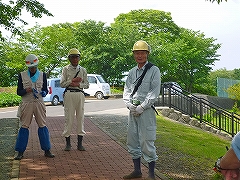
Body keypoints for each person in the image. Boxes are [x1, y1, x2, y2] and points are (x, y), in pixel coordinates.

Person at [123, 40, 161, 180]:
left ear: (147, 54)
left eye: (142, 53)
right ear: (134, 55)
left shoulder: (154, 70)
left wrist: (142, 106)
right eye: (137, 53)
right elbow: (127, 89)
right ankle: (137, 170)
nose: (140, 55)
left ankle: (151, 174)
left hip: (146, 111)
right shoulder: (132, 72)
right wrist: (129, 104)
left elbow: (154, 91)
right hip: (133, 110)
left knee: (147, 140)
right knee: (132, 140)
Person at [14, 54, 55, 160]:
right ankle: (20, 151)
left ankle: (47, 150)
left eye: (34, 67)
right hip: (26, 102)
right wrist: (25, 91)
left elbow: (45, 89)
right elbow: (19, 92)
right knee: (24, 126)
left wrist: (44, 92)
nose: (33, 69)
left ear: (37, 65)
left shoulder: (43, 74)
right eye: (31, 67)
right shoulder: (22, 75)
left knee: (42, 125)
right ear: (28, 66)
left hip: (39, 102)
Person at [60, 48, 89, 151]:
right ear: (69, 58)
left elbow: (87, 84)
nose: (75, 59)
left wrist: (78, 84)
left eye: (77, 57)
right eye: (73, 57)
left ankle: (80, 143)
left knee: (80, 118)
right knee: (69, 118)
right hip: (69, 94)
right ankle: (68, 143)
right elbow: (62, 83)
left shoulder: (83, 70)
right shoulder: (65, 69)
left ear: (79, 58)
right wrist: (71, 81)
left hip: (79, 93)